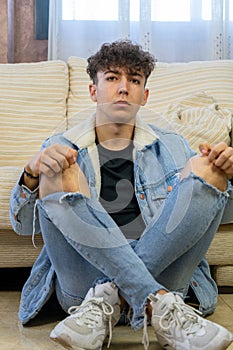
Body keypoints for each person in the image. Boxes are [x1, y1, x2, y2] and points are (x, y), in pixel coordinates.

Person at [10, 40, 233, 350]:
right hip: (83, 285)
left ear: (145, 95)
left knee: (207, 167)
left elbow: (216, 214)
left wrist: (226, 171)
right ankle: (160, 305)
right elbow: (23, 226)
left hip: (161, 275)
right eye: (113, 78)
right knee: (57, 166)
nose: (124, 88)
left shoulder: (173, 145)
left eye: (135, 80)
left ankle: (112, 295)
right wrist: (32, 174)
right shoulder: (60, 143)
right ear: (93, 91)